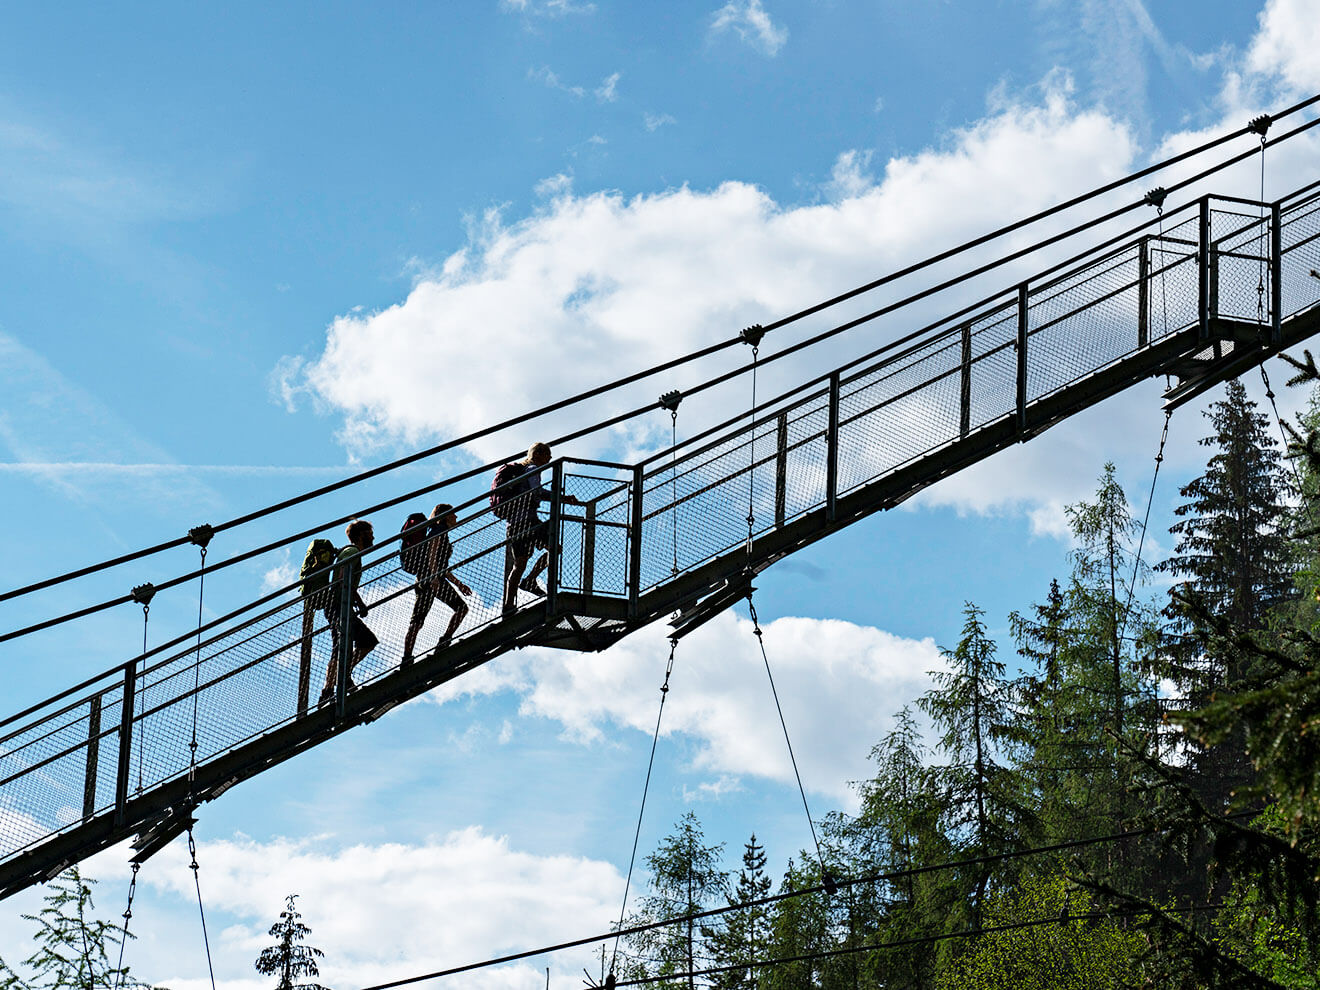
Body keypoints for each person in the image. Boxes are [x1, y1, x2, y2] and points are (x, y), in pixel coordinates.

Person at [491, 442, 582, 615]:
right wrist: (562, 497)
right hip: (529, 521)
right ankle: (530, 580)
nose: (550, 458)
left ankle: (509, 606)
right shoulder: (532, 469)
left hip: (513, 525)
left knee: (519, 564)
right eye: (548, 454)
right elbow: (537, 492)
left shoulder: (520, 470)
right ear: (538, 454)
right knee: (554, 549)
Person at [401, 504, 472, 665]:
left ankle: (409, 657)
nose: (456, 517)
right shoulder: (438, 531)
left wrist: (459, 584)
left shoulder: (439, 532)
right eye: (453, 514)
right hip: (431, 580)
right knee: (458, 609)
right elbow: (432, 555)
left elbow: (442, 567)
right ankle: (441, 642)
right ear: (445, 516)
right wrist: (434, 578)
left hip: (428, 579)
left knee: (418, 621)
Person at [320, 519, 379, 705]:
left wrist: (358, 603)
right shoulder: (352, 552)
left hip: (339, 606)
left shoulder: (349, 552)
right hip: (338, 607)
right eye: (370, 534)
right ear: (361, 535)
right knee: (341, 647)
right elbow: (343, 578)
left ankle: (341, 677)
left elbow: (346, 581)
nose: (373, 537)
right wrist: (359, 603)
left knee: (365, 642)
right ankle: (330, 688)